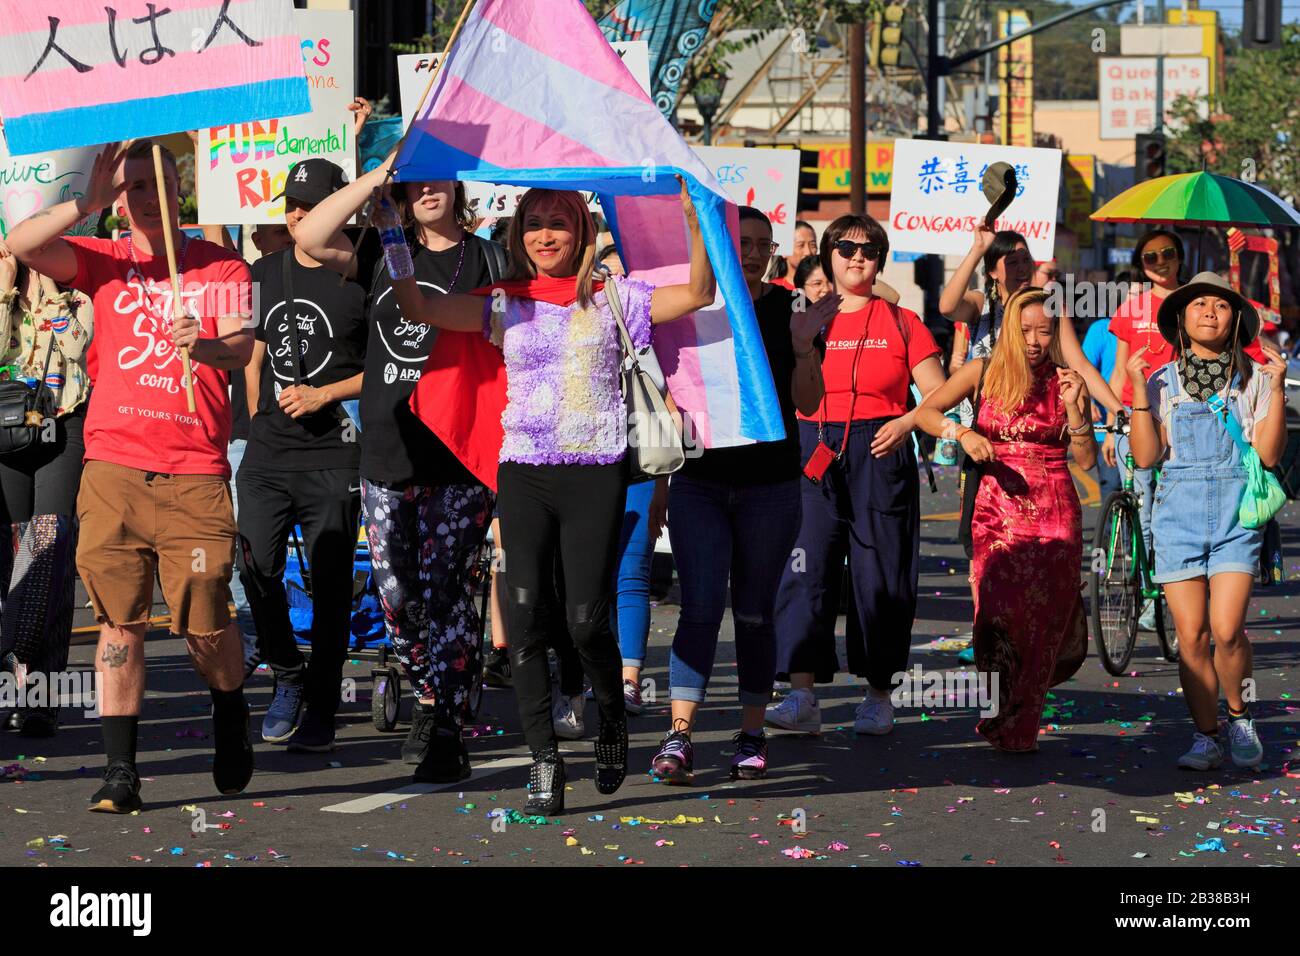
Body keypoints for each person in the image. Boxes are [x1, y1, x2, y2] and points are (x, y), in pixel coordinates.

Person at [386, 177, 715, 814]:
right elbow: (418, 308)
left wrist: (693, 219)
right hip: (524, 474)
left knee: (586, 619)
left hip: (595, 473)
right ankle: (544, 760)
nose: (545, 236)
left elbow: (700, 293)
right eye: (534, 223)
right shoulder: (503, 303)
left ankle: (612, 716)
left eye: (559, 223)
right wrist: (393, 236)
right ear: (518, 234)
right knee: (527, 615)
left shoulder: (617, 298)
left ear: (581, 233)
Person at [7, 139, 255, 812]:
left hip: (194, 471)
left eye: (156, 183)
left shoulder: (221, 264)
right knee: (119, 622)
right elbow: (24, 245)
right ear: (118, 199)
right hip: (114, 466)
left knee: (205, 616)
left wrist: (197, 344)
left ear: (180, 189)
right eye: (131, 186)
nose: (145, 196)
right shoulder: (104, 261)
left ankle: (229, 705)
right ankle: (121, 771)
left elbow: (238, 347)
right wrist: (83, 202)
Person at [295, 168, 505, 783]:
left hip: (460, 453)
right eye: (413, 181)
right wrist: (377, 178)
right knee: (397, 597)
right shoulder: (388, 251)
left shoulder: (491, 257)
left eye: (435, 178)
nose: (426, 189)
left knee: (446, 592)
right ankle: (431, 690)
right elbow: (309, 235)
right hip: (388, 452)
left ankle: (442, 717)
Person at [648, 206, 825, 783]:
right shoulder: (692, 305)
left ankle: (751, 731)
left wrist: (802, 349)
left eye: (760, 244)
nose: (749, 252)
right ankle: (679, 737)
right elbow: (659, 376)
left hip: (770, 487)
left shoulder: (785, 308)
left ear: (773, 254)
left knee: (753, 611)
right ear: (722, 246)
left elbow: (806, 403)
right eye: (739, 241)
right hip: (700, 482)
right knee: (699, 607)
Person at [767, 214, 944, 737]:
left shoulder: (902, 321)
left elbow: (940, 396)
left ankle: (878, 694)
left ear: (880, 260)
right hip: (812, 442)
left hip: (880, 446)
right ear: (827, 256)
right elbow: (792, 394)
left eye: (868, 249)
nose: (855, 256)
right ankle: (801, 694)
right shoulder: (803, 317)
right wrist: (801, 347)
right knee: (806, 567)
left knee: (880, 572)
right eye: (844, 248)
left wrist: (908, 419)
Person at [916, 287, 1093, 751]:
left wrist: (1076, 408)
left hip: (1055, 509)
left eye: (1044, 331)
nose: (1034, 340)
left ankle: (1020, 725)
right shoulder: (984, 370)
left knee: (1044, 620)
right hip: (996, 508)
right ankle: (1004, 703)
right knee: (995, 618)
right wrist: (963, 432)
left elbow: (1088, 459)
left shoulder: (1067, 380)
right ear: (1010, 330)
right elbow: (926, 412)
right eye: (1025, 329)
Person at [1125, 273, 1284, 771]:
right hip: (1177, 518)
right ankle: (1206, 735)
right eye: (1199, 305)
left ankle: (1239, 716)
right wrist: (1135, 390)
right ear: (1180, 320)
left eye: (1221, 304)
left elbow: (1268, 452)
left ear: (1236, 319)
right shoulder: (1159, 382)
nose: (1210, 311)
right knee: (1191, 636)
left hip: (1238, 516)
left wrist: (1277, 388)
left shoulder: (1254, 379)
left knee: (1227, 628)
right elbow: (1147, 458)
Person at [236, 159, 368, 752]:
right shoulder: (264, 271)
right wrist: (255, 403)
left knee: (333, 584)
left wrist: (326, 394)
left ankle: (321, 697)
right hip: (268, 453)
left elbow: (391, 367)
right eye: (292, 205)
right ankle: (287, 674)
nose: (298, 215)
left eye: (313, 206)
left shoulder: (364, 272)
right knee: (253, 569)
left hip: (334, 454)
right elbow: (251, 352)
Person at [0, 242, 93, 737]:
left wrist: (51, 289)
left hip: (62, 426)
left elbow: (78, 345)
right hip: (6, 430)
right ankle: (16, 681)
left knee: (50, 551)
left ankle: (41, 690)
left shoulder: (77, 297)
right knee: (12, 559)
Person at [1104, 230, 1185, 630]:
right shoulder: (1130, 309)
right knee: (1141, 509)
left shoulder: (1193, 305)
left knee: (1164, 513)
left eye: (1168, 253)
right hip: (1129, 418)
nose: (1160, 261)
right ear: (1142, 264)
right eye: (1150, 257)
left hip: (1175, 420)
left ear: (1180, 257)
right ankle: (1146, 589)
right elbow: (1119, 370)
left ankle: (1165, 589)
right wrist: (1109, 425)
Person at [1082, 304, 1121, 502]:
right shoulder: (1101, 330)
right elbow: (1082, 369)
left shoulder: (1148, 330)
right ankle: (1109, 533)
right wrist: (1088, 401)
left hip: (1141, 421)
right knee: (1113, 486)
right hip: (1105, 427)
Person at [771, 220, 818, 292]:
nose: (808, 252)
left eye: (813, 245)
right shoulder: (774, 288)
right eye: (801, 245)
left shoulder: (826, 287)